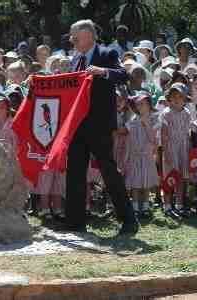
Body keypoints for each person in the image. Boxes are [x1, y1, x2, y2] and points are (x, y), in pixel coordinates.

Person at [63, 20, 138, 235]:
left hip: (100, 126)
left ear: (87, 35)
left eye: (74, 36)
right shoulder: (76, 58)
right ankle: (75, 222)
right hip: (78, 126)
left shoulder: (108, 54)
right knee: (75, 172)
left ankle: (129, 220)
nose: (71, 40)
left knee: (108, 170)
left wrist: (102, 71)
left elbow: (123, 75)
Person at [123, 92, 160, 219]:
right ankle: (135, 207)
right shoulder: (133, 120)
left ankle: (144, 207)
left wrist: (146, 124)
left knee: (145, 183)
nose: (140, 107)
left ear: (149, 104)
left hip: (147, 155)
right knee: (135, 183)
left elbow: (152, 139)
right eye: (138, 104)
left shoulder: (154, 118)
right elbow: (128, 137)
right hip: (135, 156)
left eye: (143, 103)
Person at [160, 83, 192, 218]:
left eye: (180, 96)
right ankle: (167, 206)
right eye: (174, 96)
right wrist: (166, 152)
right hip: (171, 148)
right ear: (169, 98)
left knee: (181, 177)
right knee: (169, 177)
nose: (177, 99)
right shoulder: (166, 113)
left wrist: (189, 148)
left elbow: (188, 132)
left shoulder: (187, 113)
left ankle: (179, 205)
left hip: (183, 149)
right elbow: (164, 134)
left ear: (185, 98)